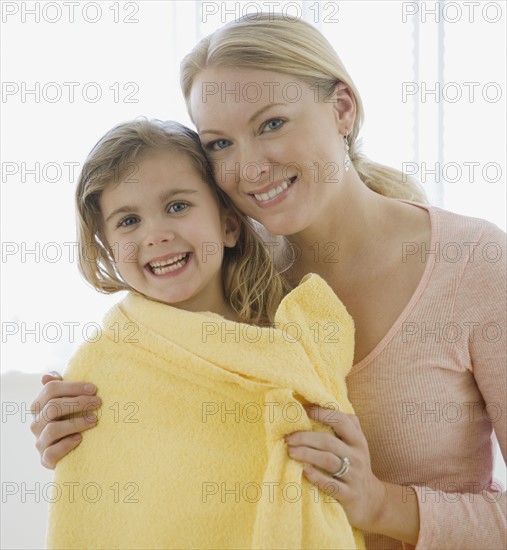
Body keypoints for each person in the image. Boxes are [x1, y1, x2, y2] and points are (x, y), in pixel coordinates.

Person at [31, 14, 506, 549]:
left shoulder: (475, 263)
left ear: (342, 109)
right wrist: (90, 427)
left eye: (272, 124)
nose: (250, 167)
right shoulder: (221, 264)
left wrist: (379, 504)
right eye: (219, 144)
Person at [42, 117, 363, 549]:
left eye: (177, 206)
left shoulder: (296, 341)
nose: (156, 235)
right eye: (128, 221)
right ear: (109, 249)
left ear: (229, 225)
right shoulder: (102, 367)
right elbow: (95, 511)